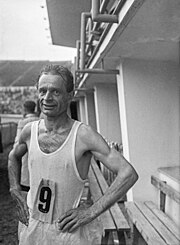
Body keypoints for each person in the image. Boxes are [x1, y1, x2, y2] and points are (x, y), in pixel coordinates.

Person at [8, 64, 138, 245]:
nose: (47, 98)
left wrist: (91, 211)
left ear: (70, 95)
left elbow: (128, 173)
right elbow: (13, 156)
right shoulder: (30, 131)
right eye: (42, 91)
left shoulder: (83, 135)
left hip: (67, 230)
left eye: (55, 92)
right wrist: (15, 190)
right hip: (32, 226)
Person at [14, 100, 39, 189]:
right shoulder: (40, 120)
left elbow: (18, 142)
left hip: (26, 153)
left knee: (27, 180)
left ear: (25, 109)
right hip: (39, 153)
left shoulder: (23, 122)